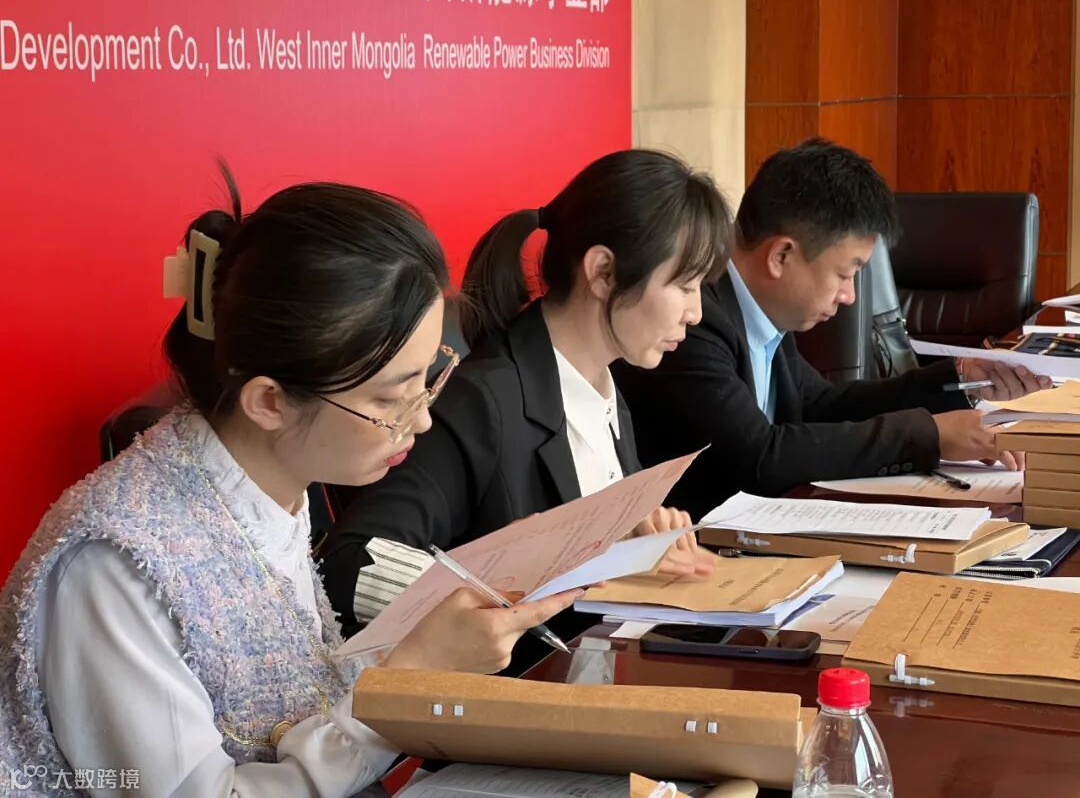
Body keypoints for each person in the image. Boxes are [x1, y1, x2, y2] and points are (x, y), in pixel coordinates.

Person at [0, 171, 581, 797]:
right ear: (270, 402)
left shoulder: (264, 487)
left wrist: (422, 652)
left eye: (429, 377)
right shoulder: (116, 563)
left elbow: (293, 698)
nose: (422, 419)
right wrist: (406, 680)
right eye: (391, 398)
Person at [319, 149, 734, 659]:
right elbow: (351, 563)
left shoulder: (606, 387)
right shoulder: (483, 401)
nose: (696, 312)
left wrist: (633, 544)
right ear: (603, 271)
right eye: (685, 286)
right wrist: (505, 580)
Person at [612, 138, 1053, 519]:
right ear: (781, 256)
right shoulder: (694, 322)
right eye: (845, 274)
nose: (849, 297)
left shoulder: (759, 310)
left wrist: (958, 380)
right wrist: (931, 435)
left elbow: (820, 404)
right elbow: (759, 456)